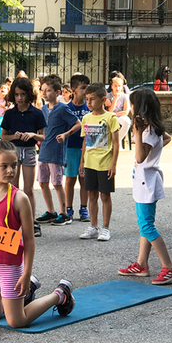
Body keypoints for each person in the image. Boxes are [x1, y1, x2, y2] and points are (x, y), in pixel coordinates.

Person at [0, 138, 75, 328]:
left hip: (9, 266)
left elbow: (29, 240)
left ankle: (60, 294)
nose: (10, 170)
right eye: (4, 166)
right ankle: (29, 289)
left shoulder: (19, 199)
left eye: (13, 165)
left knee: (17, 321)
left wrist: (26, 273)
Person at [117, 88, 172, 284]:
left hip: (146, 181)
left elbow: (140, 157)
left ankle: (168, 267)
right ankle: (142, 263)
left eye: (133, 105)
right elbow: (167, 138)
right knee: (145, 224)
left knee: (147, 226)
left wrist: (138, 131)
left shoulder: (148, 130)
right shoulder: (154, 128)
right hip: (143, 180)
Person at [0, 77, 46, 237]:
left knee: (28, 189)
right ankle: (12, 221)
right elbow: (3, 137)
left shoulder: (37, 113)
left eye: (23, 94)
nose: (20, 98)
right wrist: (14, 136)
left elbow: (43, 137)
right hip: (12, 152)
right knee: (13, 188)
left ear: (29, 95)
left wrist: (33, 134)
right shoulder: (10, 114)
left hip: (29, 151)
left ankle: (31, 221)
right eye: (17, 94)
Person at [34, 75, 81, 227]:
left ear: (57, 92)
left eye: (48, 90)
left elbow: (77, 123)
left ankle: (64, 213)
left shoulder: (63, 108)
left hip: (56, 152)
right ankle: (51, 211)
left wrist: (66, 134)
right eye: (43, 90)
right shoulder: (43, 109)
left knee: (57, 183)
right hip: (44, 151)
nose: (44, 93)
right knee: (42, 182)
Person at [78, 83, 120, 241]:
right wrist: (82, 161)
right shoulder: (86, 118)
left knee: (105, 196)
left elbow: (116, 143)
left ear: (103, 100)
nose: (88, 103)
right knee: (92, 195)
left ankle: (105, 228)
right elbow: (85, 141)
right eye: (87, 99)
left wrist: (114, 163)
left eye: (92, 99)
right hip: (90, 163)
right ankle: (93, 226)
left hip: (105, 163)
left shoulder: (111, 117)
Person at [65, 74, 91, 222]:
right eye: (83, 88)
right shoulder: (66, 108)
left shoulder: (90, 107)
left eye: (87, 88)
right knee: (70, 179)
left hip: (86, 148)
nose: (86, 91)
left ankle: (84, 208)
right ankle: (68, 208)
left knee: (84, 179)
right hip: (70, 147)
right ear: (73, 90)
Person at [105, 75, 131, 144]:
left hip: (120, 116)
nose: (117, 88)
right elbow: (110, 111)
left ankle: (116, 141)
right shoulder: (108, 96)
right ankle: (115, 143)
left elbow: (126, 112)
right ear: (112, 86)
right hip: (110, 117)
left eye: (119, 86)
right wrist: (115, 99)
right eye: (115, 86)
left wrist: (115, 114)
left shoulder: (125, 96)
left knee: (127, 121)